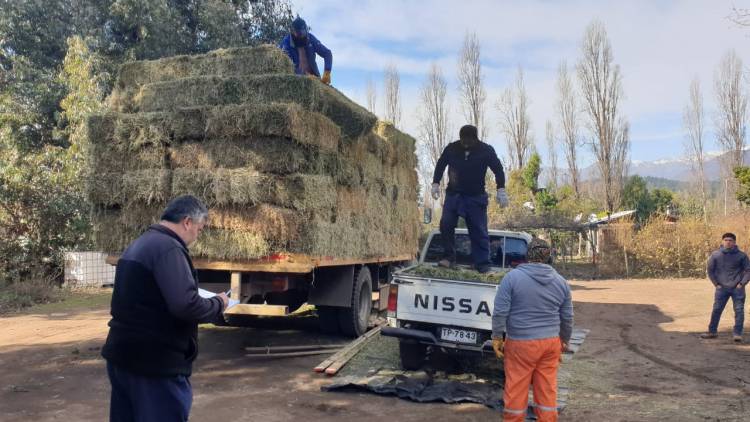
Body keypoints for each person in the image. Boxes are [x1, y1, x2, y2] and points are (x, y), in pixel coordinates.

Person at [101, 195, 228, 422]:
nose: (198, 236)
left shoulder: (140, 243)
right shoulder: (168, 249)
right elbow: (186, 305)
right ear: (187, 222)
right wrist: (218, 303)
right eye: (200, 229)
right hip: (154, 364)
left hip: (123, 356)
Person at [491, 238, 573, 422]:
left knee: (516, 388)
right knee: (547, 390)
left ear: (527, 257)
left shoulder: (512, 278)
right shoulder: (561, 282)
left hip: (520, 344)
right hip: (550, 344)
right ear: (549, 257)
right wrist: (564, 341)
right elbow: (567, 318)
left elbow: (500, 312)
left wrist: (497, 336)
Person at [431, 124, 508, 273]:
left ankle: (482, 263)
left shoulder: (486, 150)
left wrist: (501, 189)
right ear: (460, 138)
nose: (465, 143)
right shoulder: (452, 148)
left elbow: (498, 169)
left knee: (479, 230)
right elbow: (441, 164)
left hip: (475, 197)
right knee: (446, 224)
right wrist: (435, 182)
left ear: (475, 138)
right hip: (454, 194)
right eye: (463, 140)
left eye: (468, 140)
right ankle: (449, 257)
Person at [701, 232, 750, 343]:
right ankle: (712, 332)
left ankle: (737, 334)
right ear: (722, 241)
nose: (728, 242)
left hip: (737, 288)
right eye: (726, 240)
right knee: (717, 309)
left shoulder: (742, 256)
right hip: (721, 288)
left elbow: (748, 270)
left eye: (730, 240)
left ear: (734, 242)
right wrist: (716, 284)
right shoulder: (716, 255)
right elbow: (710, 270)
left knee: (739, 311)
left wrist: (742, 283)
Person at [278, 16, 332, 85]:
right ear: (293, 32)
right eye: (299, 34)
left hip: (314, 79)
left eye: (304, 33)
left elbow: (327, 53)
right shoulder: (286, 44)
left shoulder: (311, 39)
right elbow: (282, 64)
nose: (303, 36)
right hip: (295, 82)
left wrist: (327, 71)